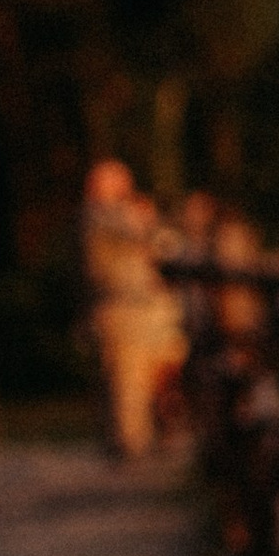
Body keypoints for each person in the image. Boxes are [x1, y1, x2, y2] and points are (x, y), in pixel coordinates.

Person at [79, 159, 187, 460]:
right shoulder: (97, 216)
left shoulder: (124, 215)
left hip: (151, 315)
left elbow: (168, 248)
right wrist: (143, 219)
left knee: (162, 382)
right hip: (122, 314)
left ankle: (156, 443)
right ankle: (130, 450)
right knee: (127, 385)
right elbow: (144, 237)